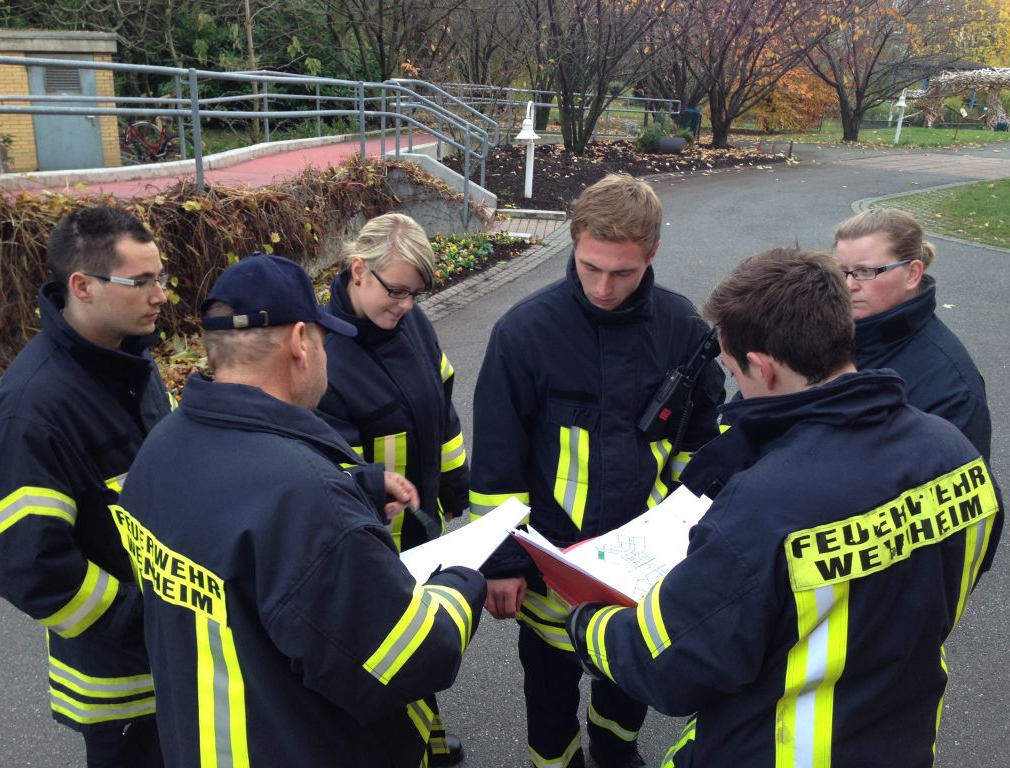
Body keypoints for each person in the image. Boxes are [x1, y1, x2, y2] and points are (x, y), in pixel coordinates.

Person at [565, 247, 1003, 768]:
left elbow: (667, 666)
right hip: (905, 739)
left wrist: (586, 622)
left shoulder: (764, 505)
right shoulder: (955, 454)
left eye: (734, 371)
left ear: (763, 368)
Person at [113, 253, 486, 766]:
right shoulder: (305, 500)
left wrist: (356, 483)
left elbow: (231, 534)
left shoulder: (160, 450)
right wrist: (460, 585)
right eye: (324, 340)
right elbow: (411, 660)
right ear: (299, 344)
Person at [470, 174, 725, 768]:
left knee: (628, 683)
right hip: (548, 566)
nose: (604, 287)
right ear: (573, 242)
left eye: (623, 272)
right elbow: (498, 460)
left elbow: (699, 437)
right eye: (590, 267)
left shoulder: (683, 330)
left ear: (652, 254)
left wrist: (685, 524)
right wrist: (504, 562)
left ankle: (615, 751)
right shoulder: (525, 333)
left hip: (643, 566)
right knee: (549, 692)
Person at [0, 206, 171, 766]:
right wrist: (147, 624)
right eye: (140, 282)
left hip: (177, 661)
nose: (160, 295)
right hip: (123, 689)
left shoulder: (131, 366)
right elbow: (33, 571)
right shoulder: (31, 411)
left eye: (161, 277)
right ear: (82, 286)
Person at [316, 214, 469, 765]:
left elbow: (442, 406)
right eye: (396, 291)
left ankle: (426, 731)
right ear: (359, 270)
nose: (406, 306)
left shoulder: (413, 325)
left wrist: (454, 487)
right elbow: (328, 470)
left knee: (420, 643)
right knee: (379, 653)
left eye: (416, 294)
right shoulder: (321, 353)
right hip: (370, 538)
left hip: (422, 528)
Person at [834, 208, 991, 460]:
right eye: (843, 271)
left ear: (912, 274)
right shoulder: (825, 333)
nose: (849, 285)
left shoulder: (952, 387)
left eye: (866, 272)